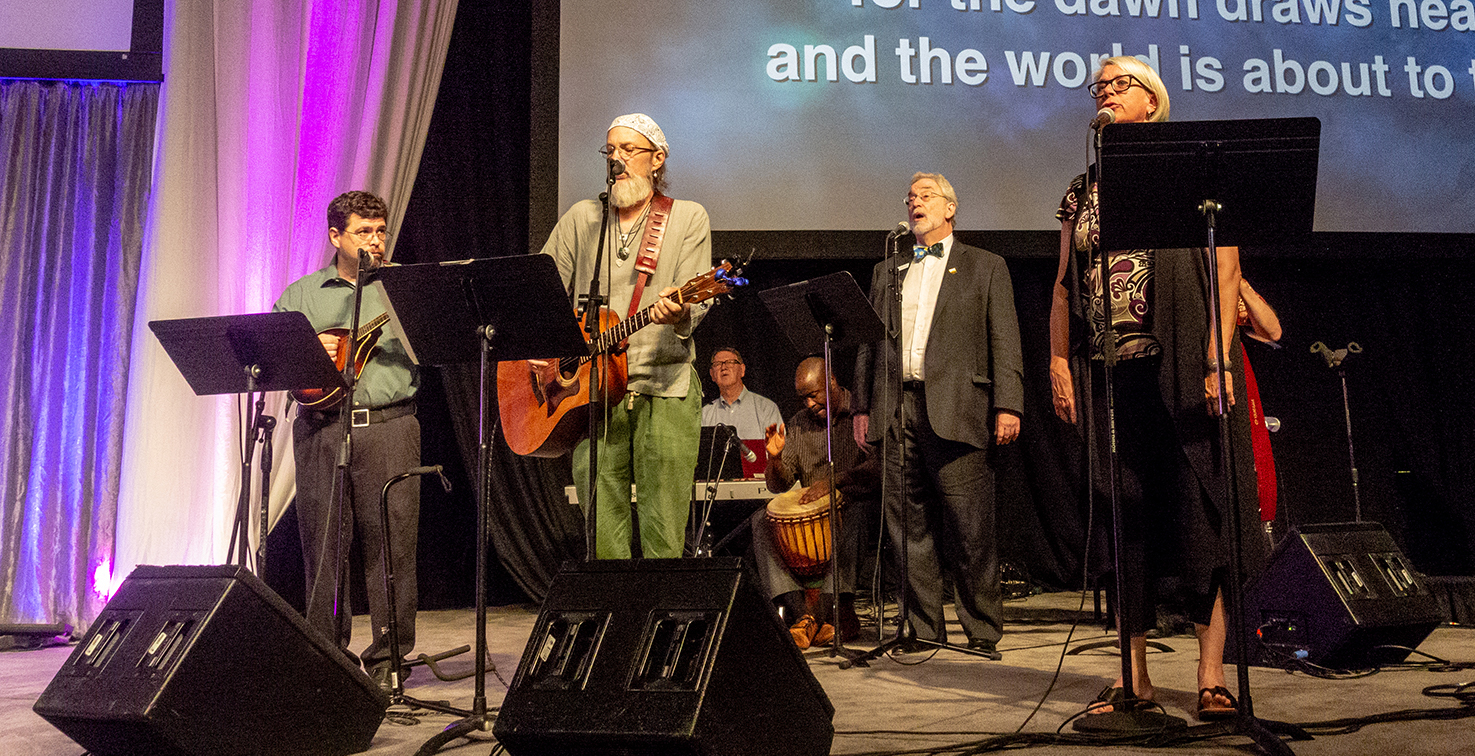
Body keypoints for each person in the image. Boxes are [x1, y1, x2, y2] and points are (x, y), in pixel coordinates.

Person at [1047, 56, 1250, 720]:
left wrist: (1218, 357)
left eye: (1118, 83)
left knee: (1197, 508)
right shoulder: (1081, 189)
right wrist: (1055, 359)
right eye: (1097, 86)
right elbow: (1060, 283)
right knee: (1119, 515)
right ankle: (1132, 677)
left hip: (1181, 357)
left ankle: (1211, 674)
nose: (1103, 92)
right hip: (1107, 368)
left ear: (1151, 103)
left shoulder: (1188, 174)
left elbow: (1224, 275)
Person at [853, 172, 1024, 660]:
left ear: (951, 208)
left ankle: (982, 630)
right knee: (907, 528)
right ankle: (924, 628)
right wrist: (863, 406)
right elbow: (869, 341)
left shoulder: (985, 266)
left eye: (926, 196)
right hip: (895, 405)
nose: (914, 203)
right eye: (910, 197)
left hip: (958, 408)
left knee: (970, 527)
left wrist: (1008, 403)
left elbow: (1004, 339)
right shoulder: (888, 269)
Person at [540, 113, 712, 559]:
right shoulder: (582, 217)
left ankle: (662, 626)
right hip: (590, 394)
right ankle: (614, 625)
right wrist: (539, 350)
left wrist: (679, 312)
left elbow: (698, 299)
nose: (616, 159)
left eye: (628, 150)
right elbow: (538, 290)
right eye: (610, 150)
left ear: (657, 160)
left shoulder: (688, 217)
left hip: (663, 386)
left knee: (663, 531)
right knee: (602, 535)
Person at [273, 190, 420, 687]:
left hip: (389, 426)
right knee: (324, 546)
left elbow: (441, 346)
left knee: (392, 547)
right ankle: (327, 659)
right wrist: (311, 348)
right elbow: (275, 363)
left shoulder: (406, 288)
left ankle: (389, 663)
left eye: (380, 231)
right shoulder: (302, 296)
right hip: (322, 430)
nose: (375, 241)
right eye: (363, 232)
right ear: (336, 236)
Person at [750, 357, 878, 648]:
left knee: (853, 516)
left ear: (831, 381)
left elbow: (879, 467)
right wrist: (775, 458)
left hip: (855, 502)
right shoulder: (797, 423)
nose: (808, 404)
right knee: (761, 521)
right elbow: (777, 485)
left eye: (813, 394)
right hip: (812, 517)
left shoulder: (861, 412)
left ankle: (829, 612)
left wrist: (834, 481)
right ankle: (802, 616)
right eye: (803, 398)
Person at [702, 347, 783, 440]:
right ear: (712, 374)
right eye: (717, 364)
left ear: (742, 370)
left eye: (730, 362)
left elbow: (778, 449)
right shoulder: (705, 414)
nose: (724, 367)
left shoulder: (766, 408)